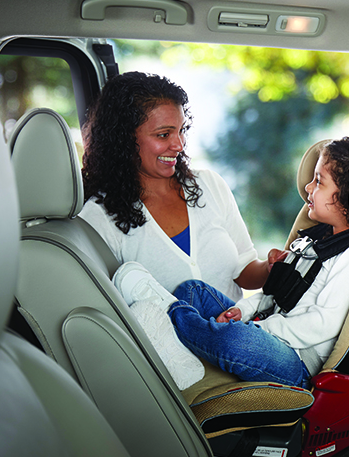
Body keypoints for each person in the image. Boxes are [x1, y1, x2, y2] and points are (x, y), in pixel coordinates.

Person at [115, 136, 349, 389]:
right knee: (192, 290)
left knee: (236, 340)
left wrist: (256, 328)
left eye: (319, 181)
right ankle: (184, 337)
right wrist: (242, 311)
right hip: (264, 326)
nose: (308, 187)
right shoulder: (314, 240)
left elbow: (324, 323)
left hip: (297, 360)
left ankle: (169, 315)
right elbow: (273, 295)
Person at [80, 71, 283, 302]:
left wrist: (270, 268)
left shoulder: (210, 185)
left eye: (181, 130)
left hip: (236, 332)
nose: (179, 144)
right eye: (164, 134)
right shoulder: (98, 217)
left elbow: (245, 271)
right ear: (123, 139)